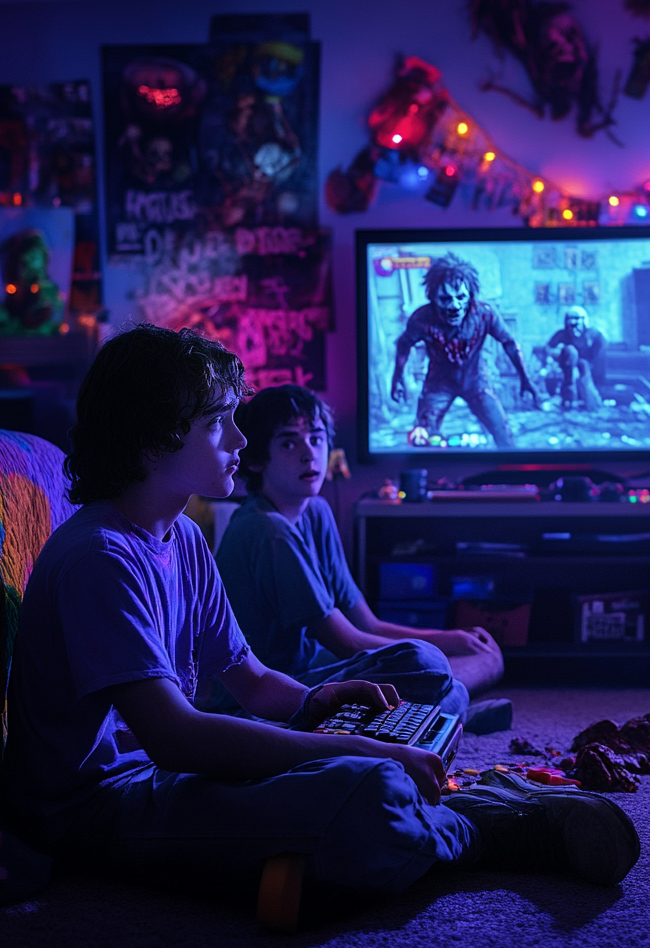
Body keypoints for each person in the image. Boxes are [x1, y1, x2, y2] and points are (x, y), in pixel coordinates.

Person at [2, 324, 640, 930]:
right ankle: (487, 826)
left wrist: (316, 701)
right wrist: (365, 749)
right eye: (218, 423)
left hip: (164, 771)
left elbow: (250, 681)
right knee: (372, 794)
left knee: (406, 700)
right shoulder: (101, 558)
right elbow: (177, 739)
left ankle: (338, 845)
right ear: (152, 439)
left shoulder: (184, 537)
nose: (241, 441)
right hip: (98, 808)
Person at [214, 384, 511, 734]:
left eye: (317, 438)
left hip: (314, 666)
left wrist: (450, 637)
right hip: (271, 689)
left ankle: (443, 711)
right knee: (426, 662)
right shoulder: (266, 530)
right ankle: (447, 710)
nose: (309, 454)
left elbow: (367, 624)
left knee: (460, 659)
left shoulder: (316, 512)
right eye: (288, 443)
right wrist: (439, 650)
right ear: (255, 459)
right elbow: (347, 642)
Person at [390, 253, 539, 448]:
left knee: (504, 436)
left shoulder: (485, 314)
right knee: (422, 438)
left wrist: (525, 379)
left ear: (470, 296)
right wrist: (397, 377)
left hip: (476, 381)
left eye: (460, 297)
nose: (454, 306)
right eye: (445, 299)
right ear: (433, 297)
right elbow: (404, 344)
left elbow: (509, 343)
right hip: (438, 384)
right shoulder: (421, 318)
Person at [544, 306, 605, 410]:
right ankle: (569, 399)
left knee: (583, 367)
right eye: (570, 322)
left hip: (586, 365)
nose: (574, 325)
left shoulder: (594, 334)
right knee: (570, 352)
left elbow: (600, 345)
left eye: (577, 321)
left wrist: (592, 360)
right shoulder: (562, 334)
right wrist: (557, 355)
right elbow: (548, 348)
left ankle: (590, 403)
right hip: (566, 365)